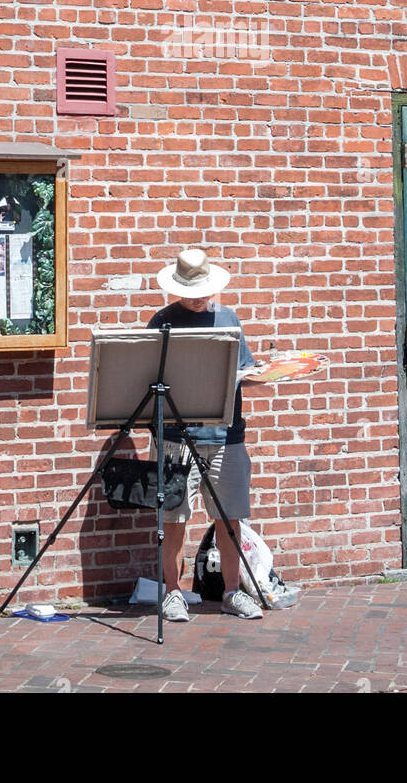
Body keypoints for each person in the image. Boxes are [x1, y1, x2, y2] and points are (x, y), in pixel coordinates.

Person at [147, 246, 263, 621]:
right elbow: (149, 380)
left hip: (227, 436)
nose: (198, 299)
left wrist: (265, 375)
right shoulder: (163, 321)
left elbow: (245, 371)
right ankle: (172, 594)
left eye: (204, 291)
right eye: (191, 292)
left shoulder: (228, 318)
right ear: (177, 288)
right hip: (179, 438)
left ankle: (232, 592)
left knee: (230, 518)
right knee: (174, 517)